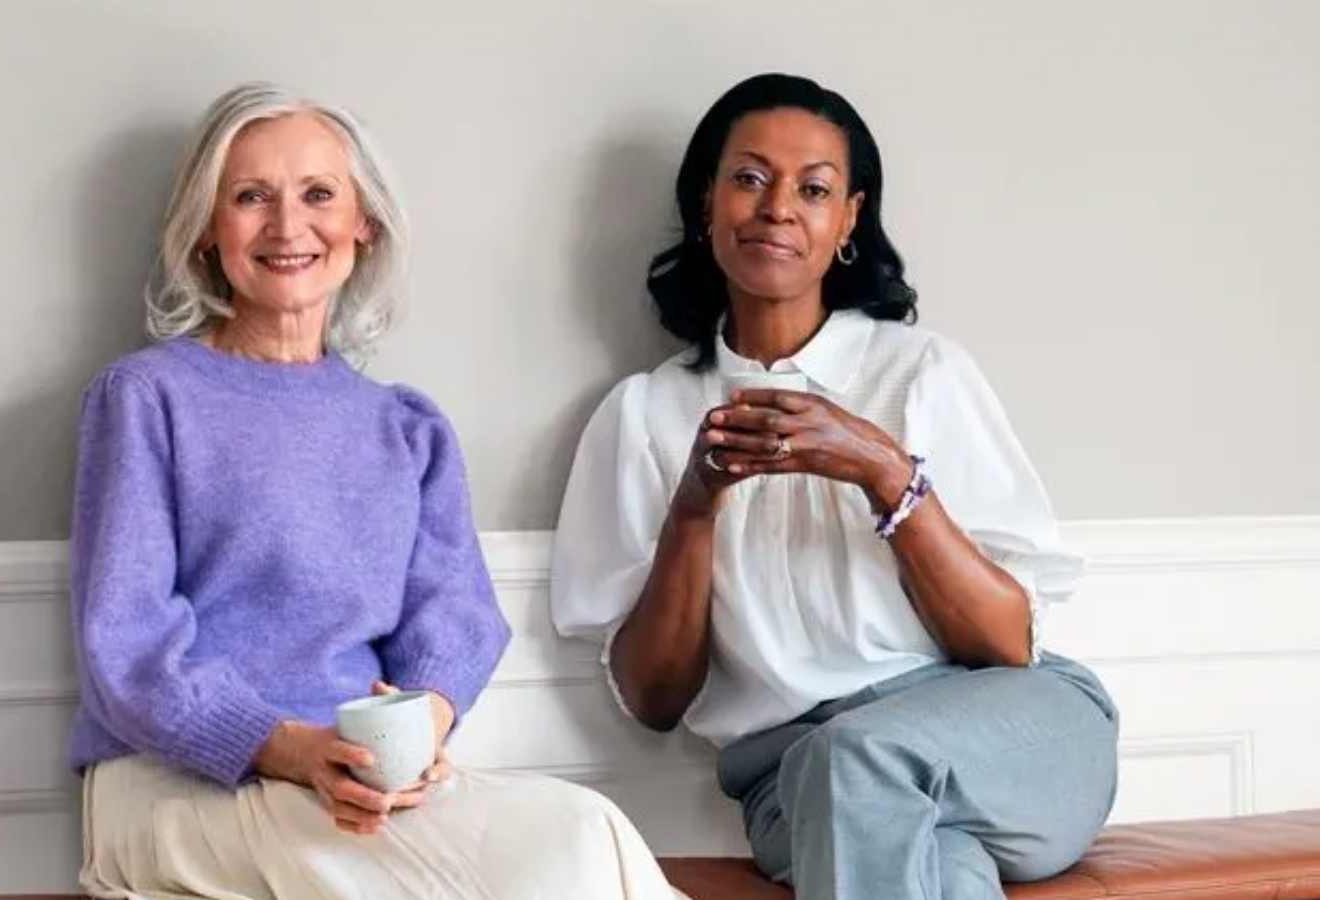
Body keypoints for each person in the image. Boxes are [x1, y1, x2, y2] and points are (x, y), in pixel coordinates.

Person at [70, 82, 681, 900]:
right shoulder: (145, 398)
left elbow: (454, 618)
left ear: (365, 223)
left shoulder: (406, 426)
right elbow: (129, 649)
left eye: (319, 194)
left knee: (584, 831)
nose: (289, 226)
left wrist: (421, 729)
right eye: (251, 197)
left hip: (358, 782)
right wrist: (289, 750)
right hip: (178, 786)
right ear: (209, 231)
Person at [551, 73, 1119, 900]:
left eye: (813, 189)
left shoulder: (921, 373)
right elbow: (654, 699)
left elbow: (1006, 642)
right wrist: (694, 507)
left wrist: (882, 470)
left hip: (1012, 735)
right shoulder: (646, 414)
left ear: (848, 219)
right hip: (794, 780)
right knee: (934, 867)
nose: (778, 207)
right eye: (748, 178)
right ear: (706, 201)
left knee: (855, 760)